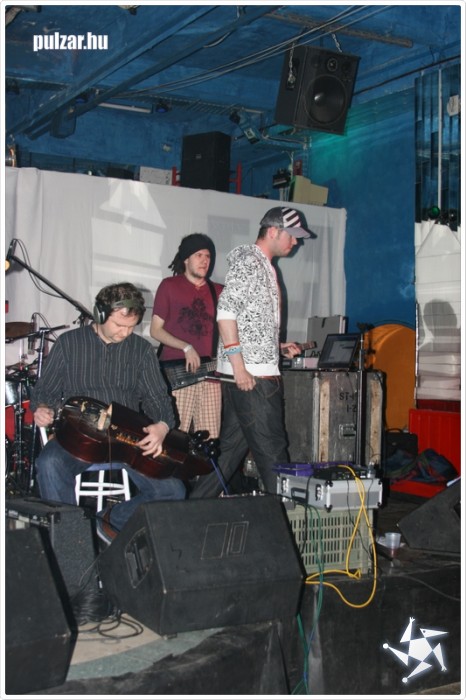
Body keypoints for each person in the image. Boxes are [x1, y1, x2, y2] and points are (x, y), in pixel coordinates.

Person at [30, 282, 186, 545]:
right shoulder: (69, 343)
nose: (125, 333)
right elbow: (44, 392)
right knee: (49, 464)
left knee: (173, 491)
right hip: (79, 437)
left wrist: (161, 425)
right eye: (119, 325)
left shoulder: (141, 350)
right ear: (100, 314)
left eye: (131, 327)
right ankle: (70, 545)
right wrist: (42, 408)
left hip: (127, 438)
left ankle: (105, 522)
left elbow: (158, 398)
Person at [190, 206, 316, 498]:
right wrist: (240, 368)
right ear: (273, 231)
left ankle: (187, 509)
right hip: (253, 379)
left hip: (249, 373)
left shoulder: (261, 264)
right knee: (273, 454)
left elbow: (246, 321)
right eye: (291, 235)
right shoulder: (250, 262)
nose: (295, 241)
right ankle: (282, 519)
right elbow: (226, 314)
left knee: (229, 452)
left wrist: (275, 346)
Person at [150, 233, 223, 440]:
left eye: (208, 256)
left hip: (210, 374)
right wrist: (186, 347)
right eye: (199, 255)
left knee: (209, 439)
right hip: (178, 373)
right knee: (174, 438)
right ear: (186, 259)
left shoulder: (219, 291)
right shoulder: (169, 286)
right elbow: (155, 330)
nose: (205, 260)